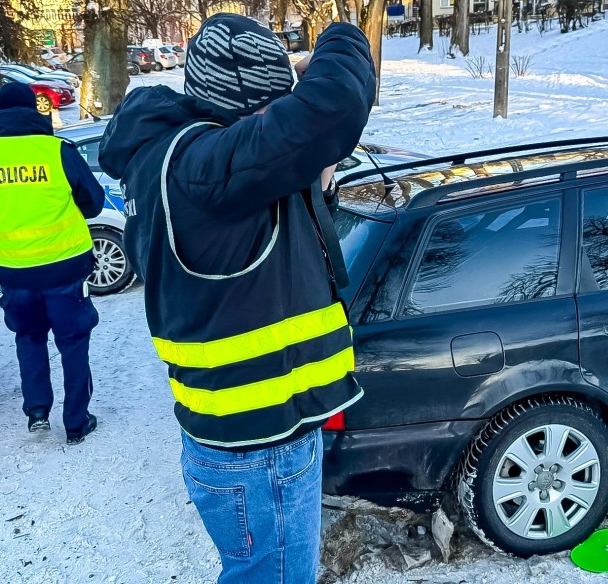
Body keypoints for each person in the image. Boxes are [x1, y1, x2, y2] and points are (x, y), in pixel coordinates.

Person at [98, 14, 375, 583]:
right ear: (244, 113)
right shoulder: (206, 170)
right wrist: (340, 35)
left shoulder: (174, 156)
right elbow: (337, 103)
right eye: (274, 114)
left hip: (250, 436)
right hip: (258, 452)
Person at [0, 82, 105, 445]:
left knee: (30, 337)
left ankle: (37, 410)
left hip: (11, 272)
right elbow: (94, 203)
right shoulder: (56, 150)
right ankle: (76, 422)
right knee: (72, 341)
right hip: (64, 267)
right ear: (33, 110)